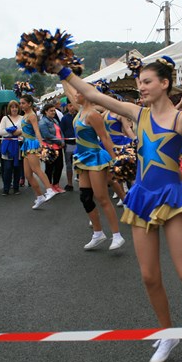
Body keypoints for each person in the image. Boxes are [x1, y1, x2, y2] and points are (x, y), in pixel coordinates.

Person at [52, 56, 182, 362]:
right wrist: (61, 70)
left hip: (172, 198)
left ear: (165, 83)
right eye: (140, 83)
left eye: (147, 82)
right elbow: (93, 94)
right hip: (141, 198)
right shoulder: (138, 113)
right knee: (149, 276)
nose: (142, 87)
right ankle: (167, 333)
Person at [61, 81, 125, 251]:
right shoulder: (80, 110)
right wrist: (62, 75)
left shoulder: (93, 115)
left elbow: (105, 138)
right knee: (85, 197)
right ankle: (98, 233)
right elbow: (68, 91)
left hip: (95, 158)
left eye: (79, 92)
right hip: (83, 158)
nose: (75, 95)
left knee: (102, 198)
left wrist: (115, 160)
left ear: (87, 94)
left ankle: (117, 235)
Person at [19, 94, 57, 210]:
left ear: (30, 104)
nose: (21, 105)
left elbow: (37, 131)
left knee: (36, 169)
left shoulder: (32, 115)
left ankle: (49, 190)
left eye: (23, 103)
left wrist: (41, 144)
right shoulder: (25, 115)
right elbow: (25, 131)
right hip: (26, 144)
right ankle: (40, 196)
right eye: (20, 103)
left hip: (32, 144)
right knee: (28, 175)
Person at [39, 102, 65, 194]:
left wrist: (62, 141)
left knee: (59, 166)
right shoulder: (42, 122)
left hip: (58, 147)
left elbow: (60, 132)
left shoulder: (55, 120)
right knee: (49, 168)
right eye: (51, 111)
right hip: (49, 148)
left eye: (54, 111)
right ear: (46, 111)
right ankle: (49, 186)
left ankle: (56, 185)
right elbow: (46, 135)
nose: (53, 112)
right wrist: (59, 141)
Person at [0, 100, 23, 196]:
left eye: (16, 107)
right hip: (8, 146)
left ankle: (16, 188)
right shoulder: (5, 118)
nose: (14, 109)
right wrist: (11, 131)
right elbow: (1, 132)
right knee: (7, 168)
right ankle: (6, 188)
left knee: (17, 168)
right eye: (12, 107)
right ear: (9, 108)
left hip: (18, 145)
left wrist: (18, 132)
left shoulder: (22, 118)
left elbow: (24, 131)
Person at [60, 101, 78, 191]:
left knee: (80, 163)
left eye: (73, 105)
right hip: (69, 144)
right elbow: (61, 131)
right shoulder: (64, 118)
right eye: (70, 106)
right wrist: (62, 141)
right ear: (67, 106)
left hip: (79, 144)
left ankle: (83, 182)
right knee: (69, 164)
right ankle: (69, 183)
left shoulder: (79, 116)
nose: (72, 107)